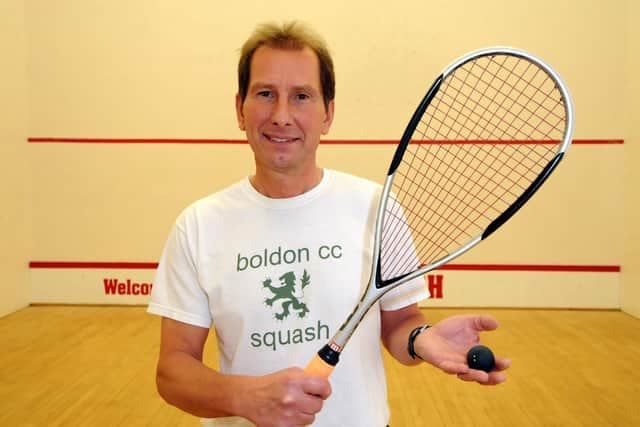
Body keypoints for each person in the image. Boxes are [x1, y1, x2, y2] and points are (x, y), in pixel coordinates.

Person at [148, 21, 510, 427]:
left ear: (328, 114)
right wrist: (246, 397)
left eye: (302, 96)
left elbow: (400, 322)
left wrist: (422, 339)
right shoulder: (198, 226)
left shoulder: (376, 207)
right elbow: (173, 371)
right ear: (240, 109)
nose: (282, 115)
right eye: (266, 94)